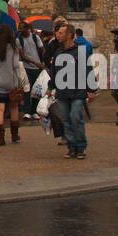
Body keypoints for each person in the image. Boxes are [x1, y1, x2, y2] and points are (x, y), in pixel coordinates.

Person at [50, 18, 94, 158]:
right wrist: (51, 87)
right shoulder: (58, 53)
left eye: (61, 33)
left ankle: (80, 146)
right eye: (58, 32)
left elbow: (88, 70)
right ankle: (72, 146)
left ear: (69, 35)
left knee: (75, 117)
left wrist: (91, 89)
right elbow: (54, 72)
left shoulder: (80, 52)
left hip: (77, 91)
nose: (58, 35)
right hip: (63, 92)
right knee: (66, 120)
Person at [0, 23, 26, 145]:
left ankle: (0, 138)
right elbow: (16, 66)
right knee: (13, 107)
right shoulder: (13, 49)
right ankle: (14, 135)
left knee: (0, 108)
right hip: (11, 82)